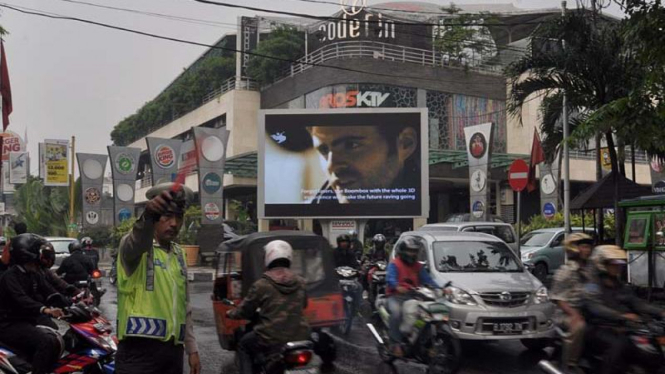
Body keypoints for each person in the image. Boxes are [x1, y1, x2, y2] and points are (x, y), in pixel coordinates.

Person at [115, 183, 200, 374]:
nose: (174, 223)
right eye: (167, 216)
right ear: (155, 218)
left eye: (179, 217)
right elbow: (139, 238)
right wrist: (148, 216)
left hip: (172, 355)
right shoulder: (134, 248)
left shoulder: (178, 254)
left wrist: (192, 349)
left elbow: (184, 306)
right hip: (138, 354)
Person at [226, 240, 310, 374]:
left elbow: (245, 311)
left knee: (243, 345)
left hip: (269, 336)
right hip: (301, 334)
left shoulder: (262, 285)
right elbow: (304, 304)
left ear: (268, 257)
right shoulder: (301, 282)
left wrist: (231, 313)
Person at [583, 245, 665, 374]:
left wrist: (660, 312)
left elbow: (637, 303)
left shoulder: (620, 285)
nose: (618, 267)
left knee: (651, 343)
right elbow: (595, 307)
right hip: (598, 327)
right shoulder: (592, 285)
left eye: (620, 264)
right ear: (602, 264)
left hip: (623, 328)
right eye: (614, 264)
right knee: (619, 344)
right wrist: (622, 316)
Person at [0, 233, 66, 374]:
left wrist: (72, 302)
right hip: (8, 324)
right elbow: (21, 299)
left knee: (56, 338)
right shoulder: (10, 276)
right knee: (46, 341)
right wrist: (45, 310)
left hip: (27, 320)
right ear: (27, 254)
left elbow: (51, 291)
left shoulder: (34, 274)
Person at [308, 124, 419, 204]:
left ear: (405, 144)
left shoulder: (430, 202)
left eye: (351, 145)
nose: (331, 167)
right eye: (324, 150)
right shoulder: (316, 206)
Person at [385, 237, 439, 356]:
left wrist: (441, 288)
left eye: (414, 251)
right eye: (410, 250)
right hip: (395, 296)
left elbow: (428, 280)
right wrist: (397, 286)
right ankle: (395, 344)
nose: (412, 253)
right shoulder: (395, 264)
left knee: (426, 316)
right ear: (403, 251)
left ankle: (424, 343)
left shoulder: (418, 266)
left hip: (413, 296)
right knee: (397, 313)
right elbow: (390, 279)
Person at [549, 233, 594, 372]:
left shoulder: (590, 270)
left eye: (588, 247)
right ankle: (570, 365)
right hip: (566, 314)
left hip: (588, 310)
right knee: (579, 326)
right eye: (584, 247)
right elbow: (558, 298)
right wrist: (574, 314)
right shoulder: (566, 271)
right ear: (574, 248)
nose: (587, 250)